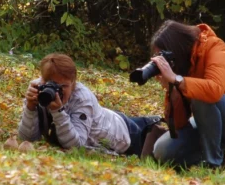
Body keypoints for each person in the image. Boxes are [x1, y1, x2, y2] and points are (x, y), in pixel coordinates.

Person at [148, 20, 225, 170]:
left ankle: (213, 164)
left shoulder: (215, 47)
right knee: (162, 151)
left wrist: (177, 79)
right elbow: (179, 125)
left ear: (177, 49)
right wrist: (172, 90)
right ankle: (218, 155)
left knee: (202, 96)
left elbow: (214, 91)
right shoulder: (182, 67)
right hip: (210, 123)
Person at [18, 53, 161, 156]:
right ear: (43, 80)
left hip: (125, 134)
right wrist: (30, 108)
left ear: (73, 83)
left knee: (157, 142)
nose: (57, 91)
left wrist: (58, 112)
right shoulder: (39, 90)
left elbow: (75, 145)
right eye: (53, 85)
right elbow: (27, 138)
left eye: (63, 87)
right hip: (101, 120)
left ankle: (149, 122)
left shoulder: (82, 98)